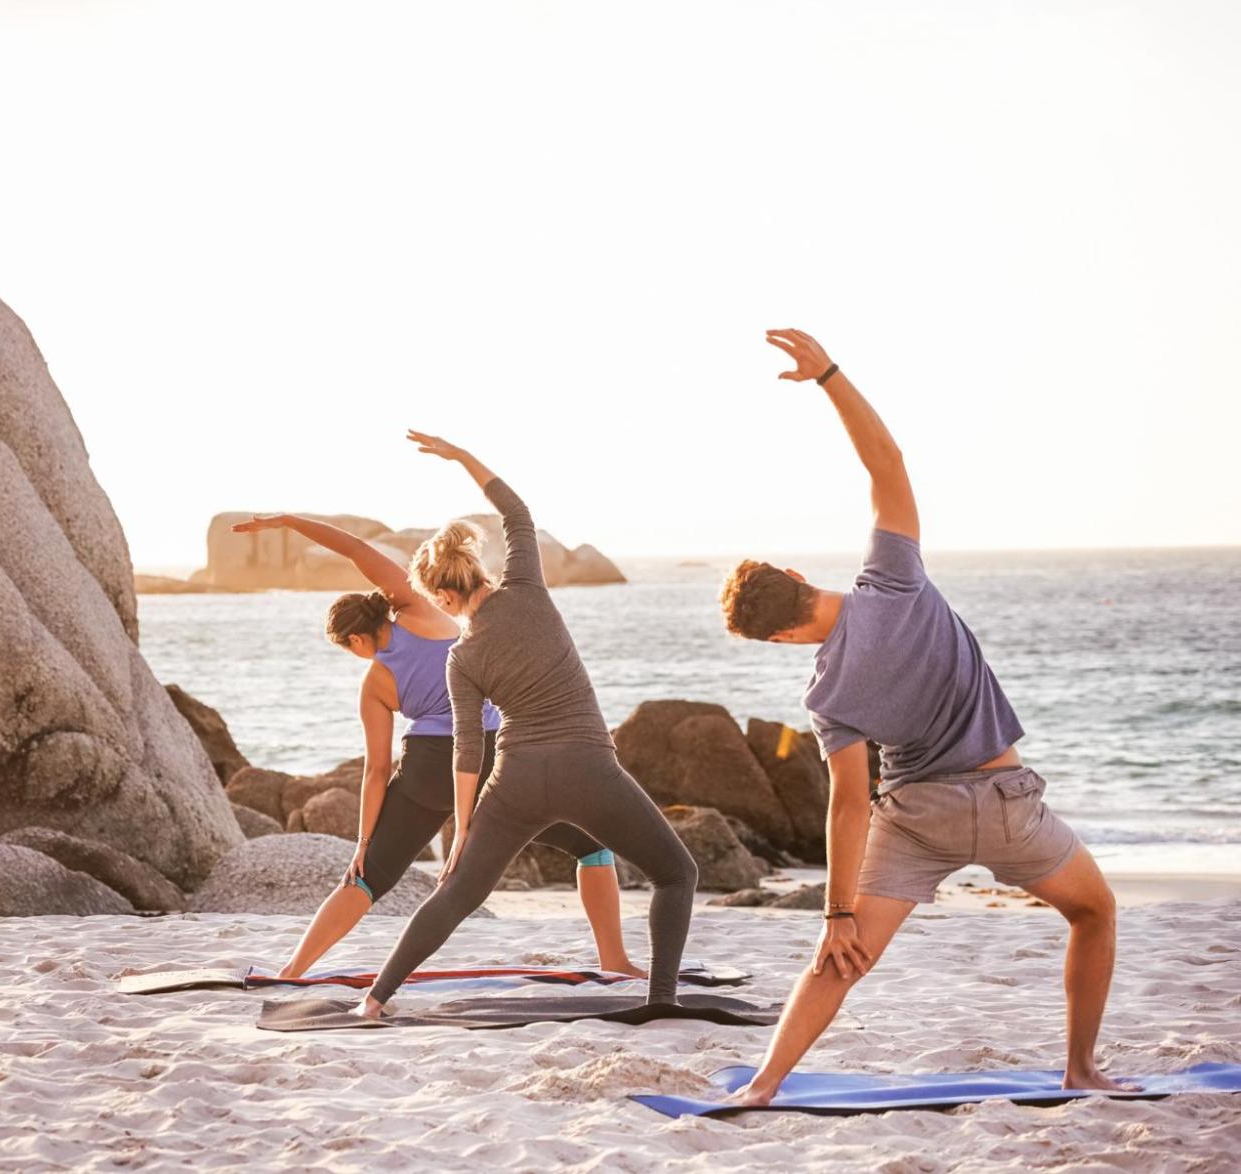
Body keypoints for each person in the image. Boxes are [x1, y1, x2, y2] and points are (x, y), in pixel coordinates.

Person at [722, 329, 1125, 1104]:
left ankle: (765, 1084)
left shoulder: (825, 696)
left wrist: (837, 912)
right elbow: (886, 464)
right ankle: (1081, 1069)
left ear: (778, 636)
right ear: (799, 575)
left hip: (913, 821)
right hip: (1006, 806)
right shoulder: (895, 578)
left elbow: (846, 803)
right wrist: (829, 376)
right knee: (1094, 911)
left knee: (841, 957)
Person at [353, 434, 699, 1018]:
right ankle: (660, 1000)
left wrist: (463, 831)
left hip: (514, 778)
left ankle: (375, 1000)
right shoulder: (529, 587)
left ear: (443, 594)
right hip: (588, 768)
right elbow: (517, 512)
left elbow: (468, 750)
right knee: (676, 873)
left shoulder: (461, 658)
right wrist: (461, 457)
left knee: (457, 892)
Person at [229, 512, 642, 979]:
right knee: (592, 847)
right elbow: (357, 550)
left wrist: (363, 842)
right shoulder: (421, 607)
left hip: (427, 771)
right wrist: (288, 521)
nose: (356, 657)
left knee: (366, 878)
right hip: (488, 757)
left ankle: (293, 969)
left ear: (357, 638)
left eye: (350, 649)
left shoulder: (375, 684)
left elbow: (376, 771)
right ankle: (615, 960)